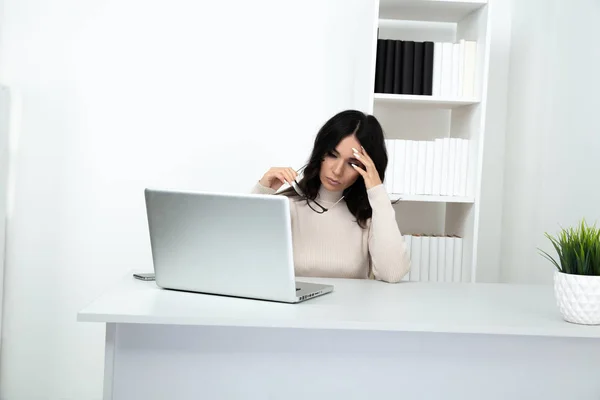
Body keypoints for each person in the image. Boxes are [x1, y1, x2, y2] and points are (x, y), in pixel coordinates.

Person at [251, 109, 410, 283]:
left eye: (352, 163)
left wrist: (377, 190)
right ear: (320, 153)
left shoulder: (371, 216)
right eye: (332, 155)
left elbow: (392, 273)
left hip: (352, 309)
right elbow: (242, 256)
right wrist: (261, 193)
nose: (337, 170)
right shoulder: (286, 205)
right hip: (294, 309)